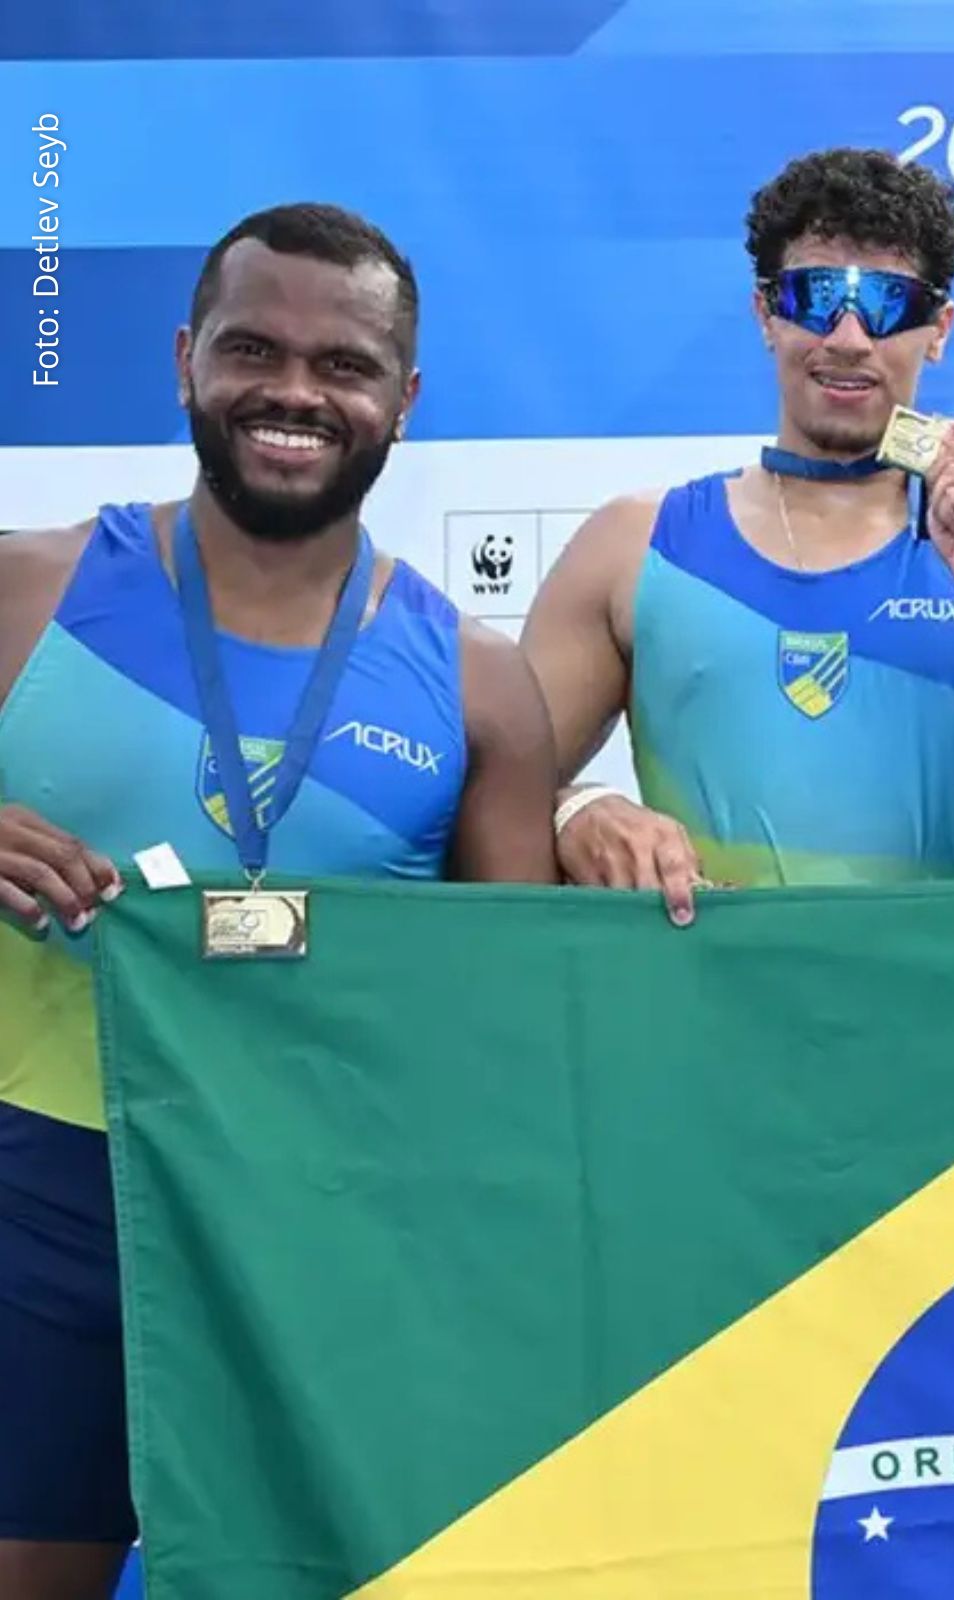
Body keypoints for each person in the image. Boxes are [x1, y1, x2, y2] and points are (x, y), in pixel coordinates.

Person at [0, 203, 559, 1600]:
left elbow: (515, 1027)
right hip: (43, 1212)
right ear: (187, 357)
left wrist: (607, 825)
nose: (296, 392)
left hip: (328, 1241)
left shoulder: (479, 687)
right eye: (254, 348)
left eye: (346, 364)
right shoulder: (23, 594)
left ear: (404, 400)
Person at [521, 148, 954, 915]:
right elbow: (481, 805)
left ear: (939, 328)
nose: (850, 337)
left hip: (934, 1021)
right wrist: (576, 809)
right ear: (766, 312)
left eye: (889, 303)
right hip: (702, 1019)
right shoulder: (634, 547)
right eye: (817, 295)